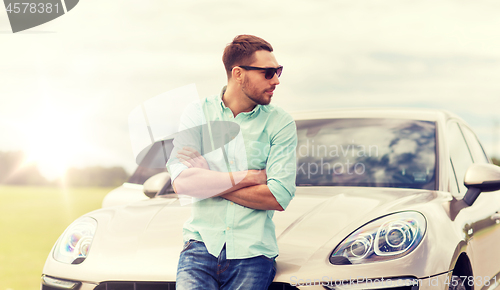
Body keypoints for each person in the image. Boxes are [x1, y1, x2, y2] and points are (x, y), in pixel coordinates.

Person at [166, 34, 297, 290]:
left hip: (253, 254)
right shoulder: (197, 113)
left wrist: (209, 180)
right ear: (238, 74)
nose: (277, 80)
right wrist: (251, 177)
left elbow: (278, 196)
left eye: (278, 71)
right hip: (199, 248)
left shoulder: (281, 123)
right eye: (269, 72)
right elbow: (182, 183)